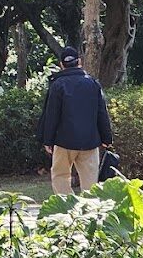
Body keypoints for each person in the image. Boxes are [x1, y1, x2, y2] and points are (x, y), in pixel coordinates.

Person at [38, 46, 113, 195]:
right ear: (79, 61)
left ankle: (67, 210)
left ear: (61, 64)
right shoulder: (93, 84)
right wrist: (107, 138)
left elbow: (51, 115)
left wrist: (48, 140)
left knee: (60, 176)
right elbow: (101, 113)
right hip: (90, 142)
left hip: (63, 142)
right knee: (91, 183)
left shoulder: (57, 85)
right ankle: (89, 213)